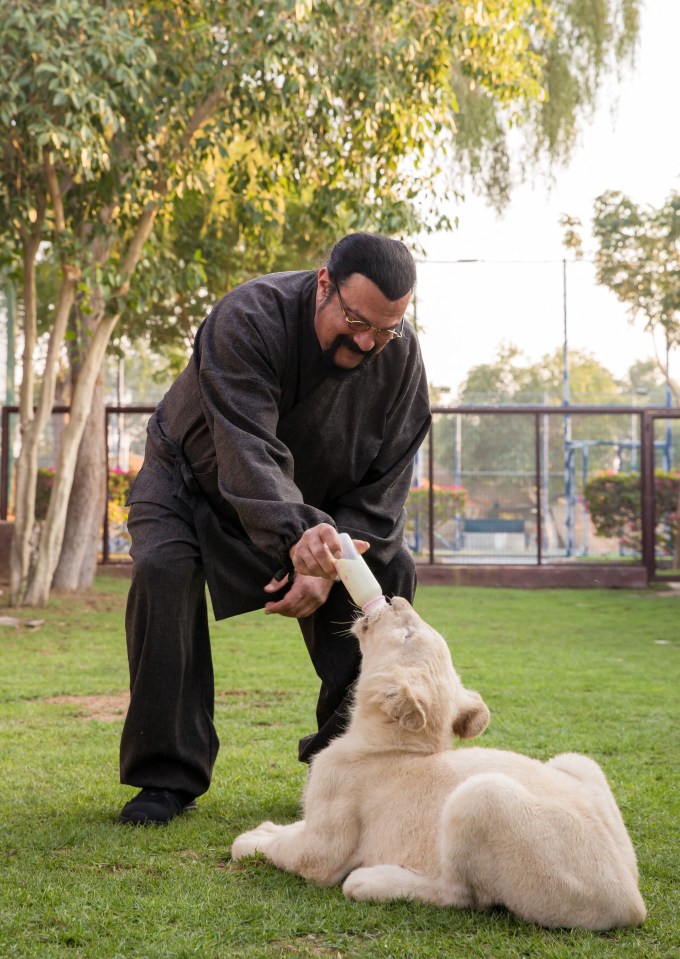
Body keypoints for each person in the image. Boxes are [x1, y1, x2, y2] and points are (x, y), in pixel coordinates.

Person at [118, 232, 432, 825]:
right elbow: (246, 451)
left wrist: (329, 560)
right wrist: (301, 540)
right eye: (355, 319)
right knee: (163, 569)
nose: (367, 342)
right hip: (193, 480)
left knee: (390, 570)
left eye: (385, 330)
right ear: (323, 283)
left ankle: (344, 766)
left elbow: (387, 477)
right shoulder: (247, 318)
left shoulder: (399, 354)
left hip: (316, 509)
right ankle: (165, 778)